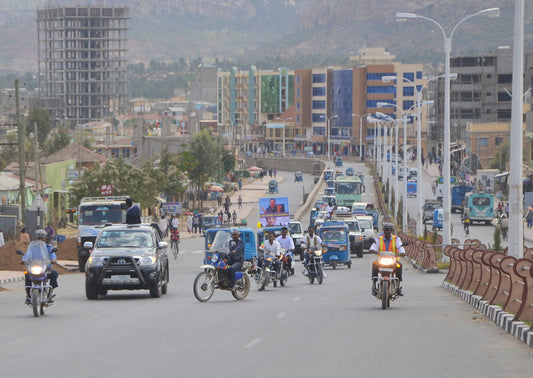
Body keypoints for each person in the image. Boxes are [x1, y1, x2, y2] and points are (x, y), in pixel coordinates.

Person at [21, 229, 58, 304]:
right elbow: (27, 254)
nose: (41, 239)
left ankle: (49, 294)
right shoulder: (32, 247)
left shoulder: (48, 247)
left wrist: (53, 259)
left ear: (45, 238)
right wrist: (24, 260)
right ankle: (28, 296)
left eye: (42, 237)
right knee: (27, 275)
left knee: (54, 274)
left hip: (45, 268)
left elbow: (52, 255)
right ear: (36, 238)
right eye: (39, 238)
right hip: (34, 267)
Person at [370, 223, 406, 296]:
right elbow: (374, 246)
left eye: (388, 230)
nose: (386, 232)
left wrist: (402, 252)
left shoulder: (396, 239)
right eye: (385, 230)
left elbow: (400, 247)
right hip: (381, 259)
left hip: (393, 260)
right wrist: (372, 250)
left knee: (399, 266)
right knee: (374, 264)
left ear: (391, 230)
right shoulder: (379, 239)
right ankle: (374, 285)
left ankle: (398, 286)